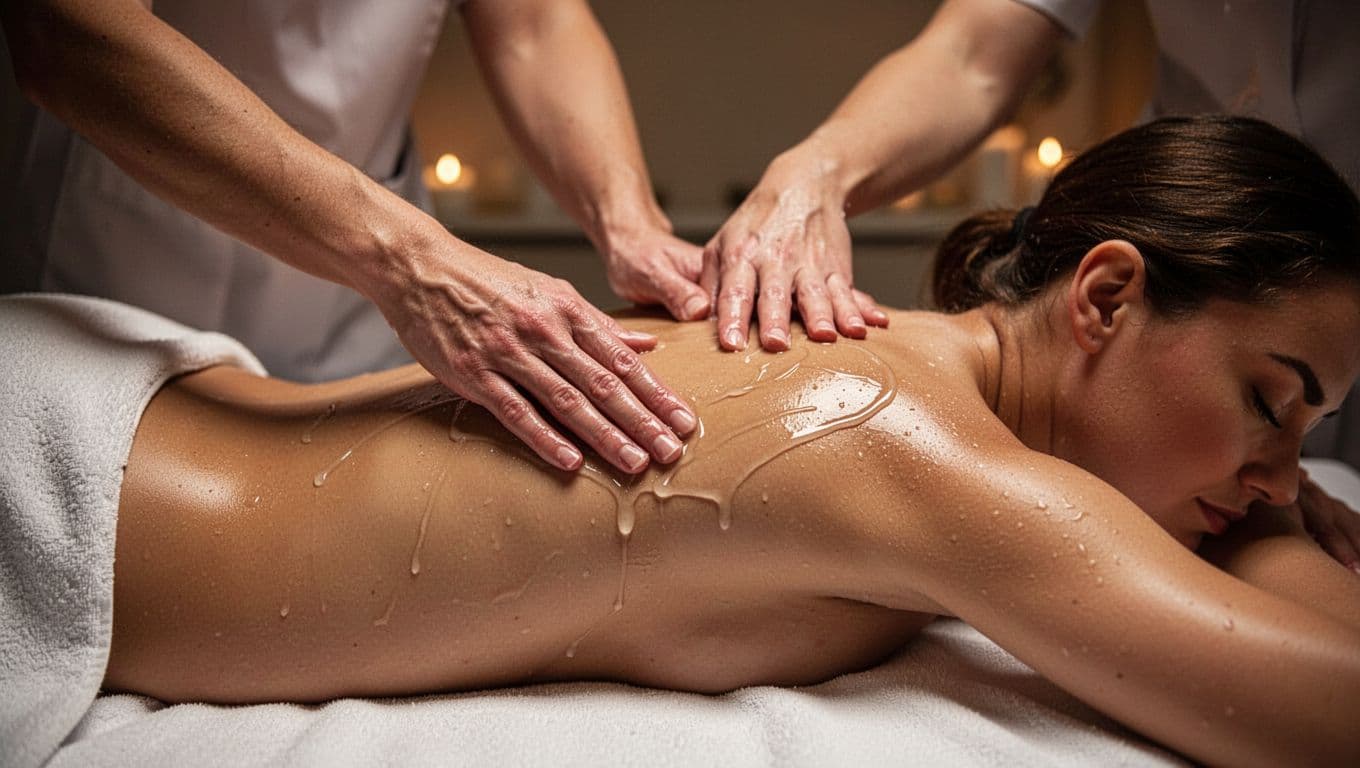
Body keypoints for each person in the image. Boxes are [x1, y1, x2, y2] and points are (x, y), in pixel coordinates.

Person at [72, 117, 1359, 767]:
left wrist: (1263, 484)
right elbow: (1328, 707)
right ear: (1108, 296)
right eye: (1271, 397)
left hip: (133, 403)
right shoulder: (917, 451)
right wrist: (1271, 525)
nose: (1280, 472)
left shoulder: (897, 367)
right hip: (62, 479)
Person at [700, 0, 1360, 562]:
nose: (1286, 487)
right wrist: (813, 172)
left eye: (1300, 425)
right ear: (1104, 299)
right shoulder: (945, 467)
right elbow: (972, 52)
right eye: (1268, 406)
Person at [0, 0, 707, 476]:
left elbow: (533, 24)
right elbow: (66, 31)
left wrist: (631, 222)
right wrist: (411, 264)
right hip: (114, 266)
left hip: (355, 331)